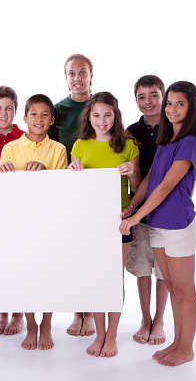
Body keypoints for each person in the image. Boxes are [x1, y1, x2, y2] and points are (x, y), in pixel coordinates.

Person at [120, 81, 196, 367]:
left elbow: (166, 187)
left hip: (178, 226)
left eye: (179, 103)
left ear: (192, 108)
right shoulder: (165, 143)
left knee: (184, 290)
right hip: (157, 225)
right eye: (170, 103)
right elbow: (149, 181)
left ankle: (187, 347)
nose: (172, 108)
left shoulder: (189, 144)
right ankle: (178, 343)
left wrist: (134, 218)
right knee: (170, 284)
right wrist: (132, 206)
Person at [68, 91, 141, 358]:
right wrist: (71, 173)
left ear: (115, 116)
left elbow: (137, 187)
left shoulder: (128, 146)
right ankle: (99, 334)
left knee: (114, 278)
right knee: (96, 278)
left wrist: (132, 172)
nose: (102, 120)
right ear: (89, 116)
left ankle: (112, 336)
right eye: (97, 115)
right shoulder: (80, 146)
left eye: (107, 115)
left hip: (118, 220)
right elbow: (73, 189)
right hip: (89, 221)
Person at [0, 94, 67, 350]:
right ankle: (31, 325)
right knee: (25, 275)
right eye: (34, 114)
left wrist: (45, 173)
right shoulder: (10, 148)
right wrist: (4, 173)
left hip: (48, 222)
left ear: (51, 120)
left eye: (45, 114)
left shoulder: (59, 150)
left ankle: (46, 325)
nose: (39, 119)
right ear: (24, 118)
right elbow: (3, 191)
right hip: (19, 223)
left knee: (48, 275)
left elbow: (62, 191)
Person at [48, 53, 96, 336]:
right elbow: (50, 145)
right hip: (66, 184)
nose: (77, 78)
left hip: (96, 185)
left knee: (91, 248)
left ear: (92, 75)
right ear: (65, 78)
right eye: (72, 73)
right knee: (72, 249)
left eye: (83, 72)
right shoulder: (58, 110)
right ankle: (76, 311)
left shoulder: (101, 105)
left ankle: (88, 312)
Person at [125, 75, 169, 345]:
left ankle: (160, 319)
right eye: (142, 97)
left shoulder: (175, 127)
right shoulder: (131, 131)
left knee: (164, 269)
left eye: (153, 95)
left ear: (163, 96)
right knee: (143, 266)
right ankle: (144, 318)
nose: (148, 102)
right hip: (139, 206)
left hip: (168, 209)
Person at [0, 86, 26, 336]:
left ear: (15, 111)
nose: (3, 112)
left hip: (22, 209)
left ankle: (19, 313)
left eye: (9, 108)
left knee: (20, 260)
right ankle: (2, 311)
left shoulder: (26, 136)